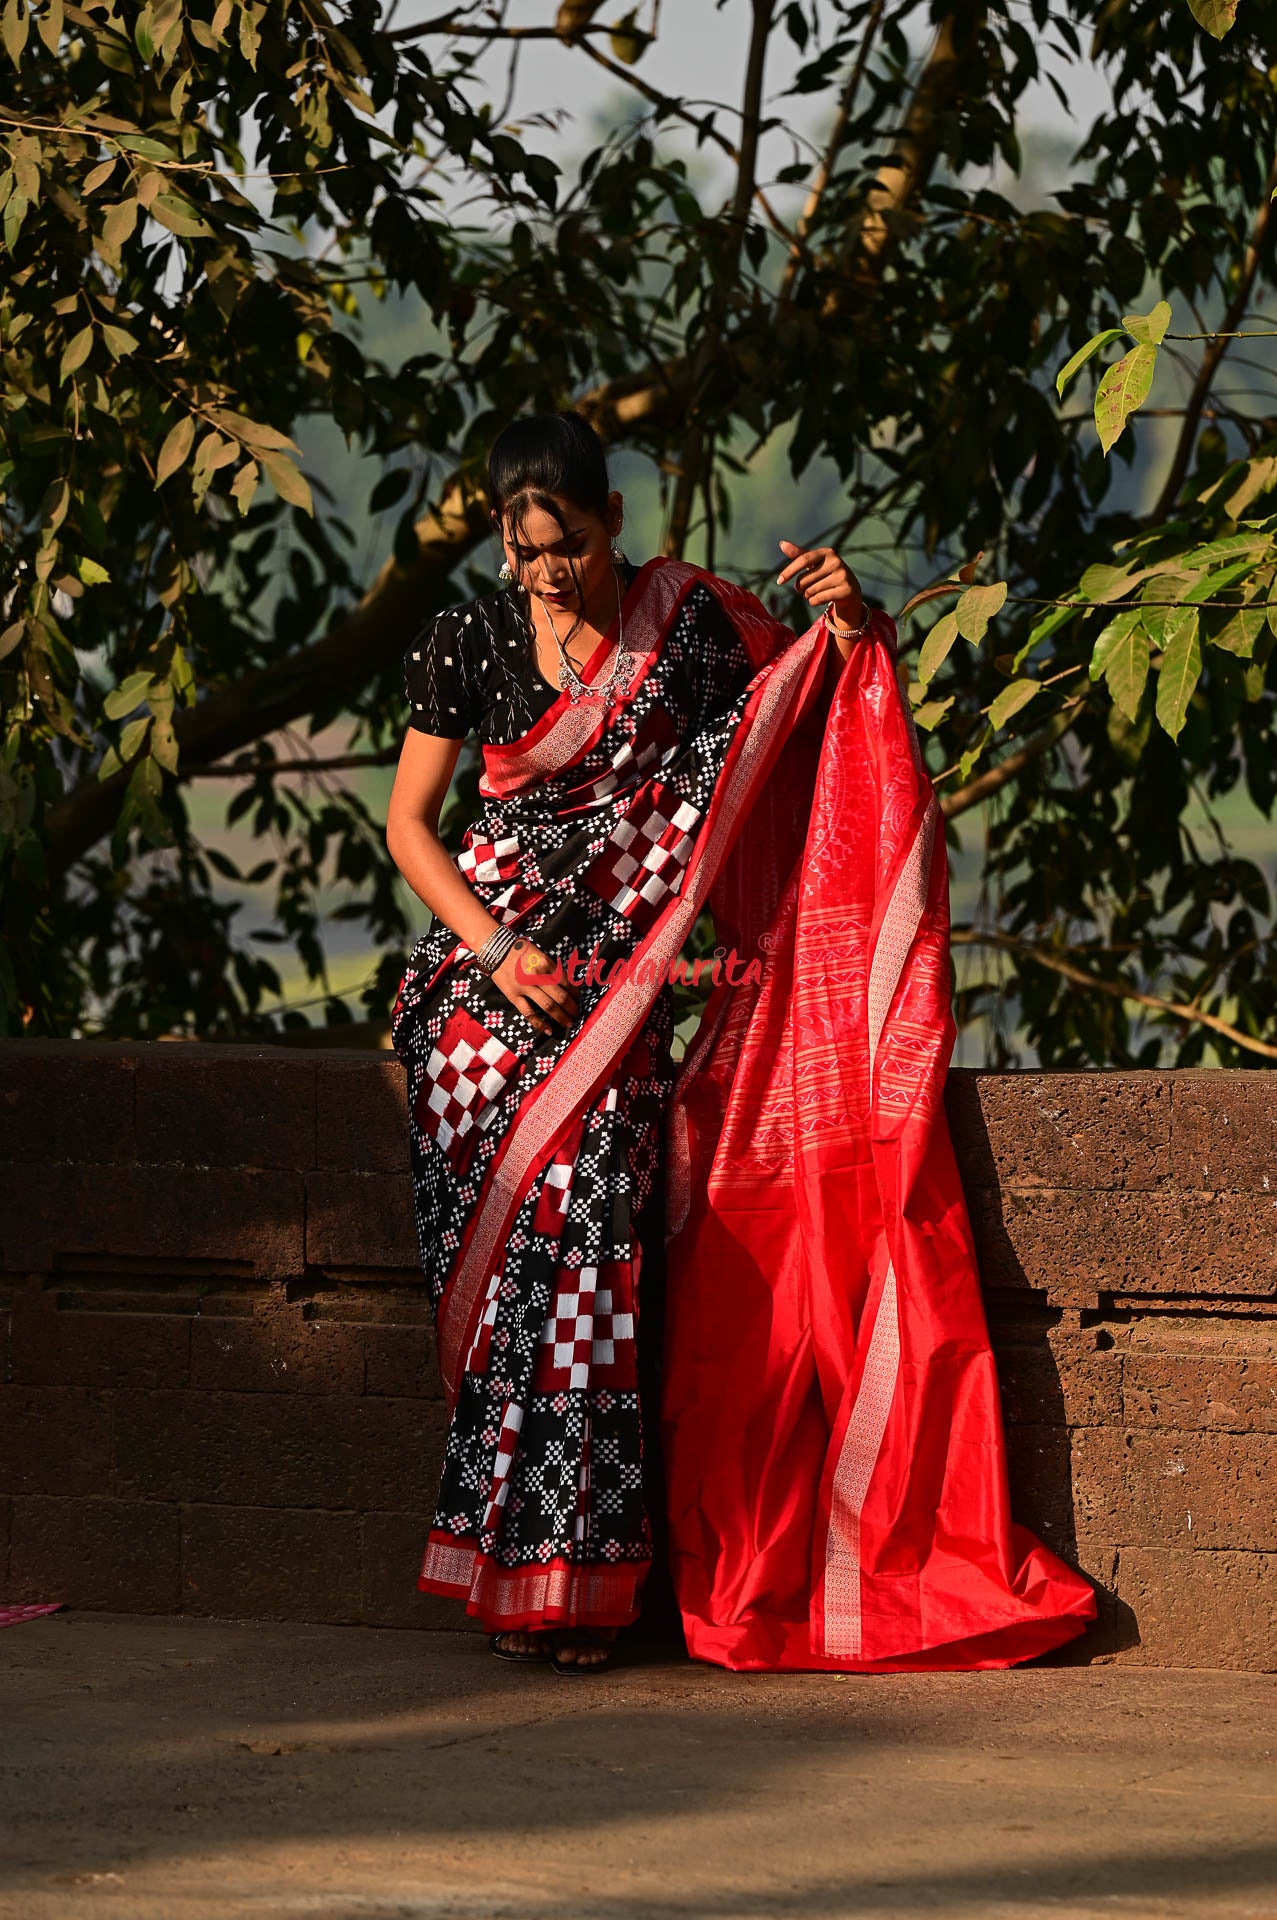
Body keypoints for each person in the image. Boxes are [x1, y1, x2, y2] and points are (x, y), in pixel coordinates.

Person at [386, 410, 1096, 1677]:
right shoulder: (469, 637)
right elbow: (411, 830)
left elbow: (807, 721)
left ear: (613, 521)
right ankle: (513, 1576)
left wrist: (846, 619)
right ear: (500, 541)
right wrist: (501, 953)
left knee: (594, 1269)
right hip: (482, 995)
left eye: (573, 543)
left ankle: (577, 1591)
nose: (551, 570)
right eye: (527, 547)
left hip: (618, 991)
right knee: (511, 1298)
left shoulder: (690, 627)